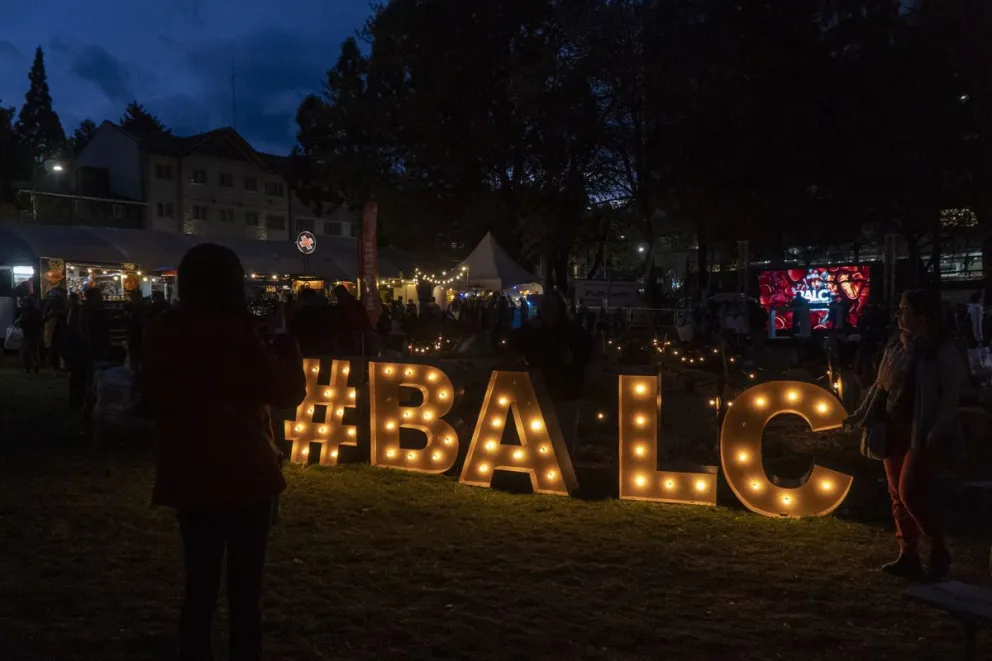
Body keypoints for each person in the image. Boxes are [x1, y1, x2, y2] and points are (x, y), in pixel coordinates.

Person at [143, 244, 307, 661]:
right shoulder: (239, 335)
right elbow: (288, 391)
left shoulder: (164, 331)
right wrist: (285, 341)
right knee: (245, 589)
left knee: (198, 582)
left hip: (190, 468)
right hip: (245, 470)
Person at [847, 289, 965, 581]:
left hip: (921, 432)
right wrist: (862, 414)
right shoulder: (896, 347)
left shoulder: (941, 351)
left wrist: (936, 430)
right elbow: (880, 387)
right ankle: (908, 554)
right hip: (894, 428)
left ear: (922, 317)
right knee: (896, 495)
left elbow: (950, 396)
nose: (899, 315)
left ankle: (938, 550)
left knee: (910, 493)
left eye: (904, 310)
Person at [510, 291, 593, 457]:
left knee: (564, 430)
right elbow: (514, 342)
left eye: (550, 305)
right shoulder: (533, 328)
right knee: (539, 429)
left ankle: (565, 464)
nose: (547, 309)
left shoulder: (572, 330)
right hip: (540, 387)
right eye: (544, 305)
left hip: (566, 388)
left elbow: (585, 353)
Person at [14, 296, 44, 375]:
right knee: (33, 352)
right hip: (34, 333)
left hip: (29, 333)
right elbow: (41, 323)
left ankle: (31, 367)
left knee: (26, 352)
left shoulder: (26, 311)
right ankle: (34, 366)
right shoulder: (36, 311)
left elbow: (21, 321)